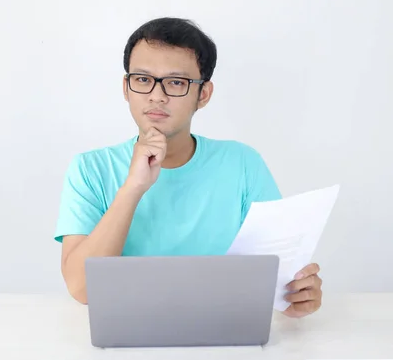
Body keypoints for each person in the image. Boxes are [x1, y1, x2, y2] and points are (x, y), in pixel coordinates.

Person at [53, 17, 323, 318]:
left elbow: (280, 277)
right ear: (126, 88)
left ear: (203, 94)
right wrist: (133, 187)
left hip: (225, 336)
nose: (157, 95)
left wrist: (296, 296)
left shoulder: (243, 164)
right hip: (126, 337)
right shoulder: (90, 169)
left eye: (176, 83)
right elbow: (81, 289)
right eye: (142, 79)